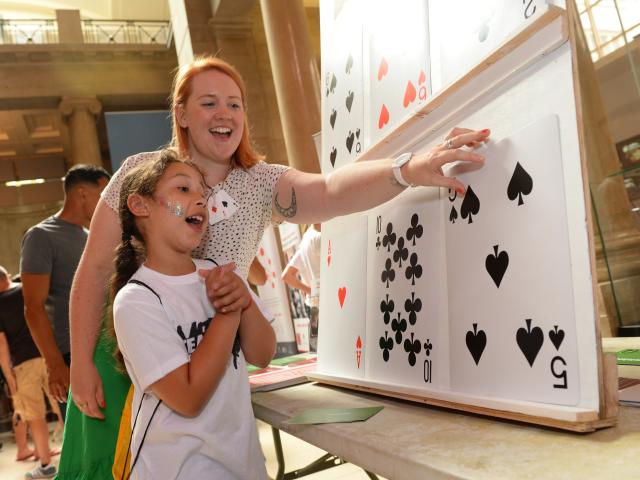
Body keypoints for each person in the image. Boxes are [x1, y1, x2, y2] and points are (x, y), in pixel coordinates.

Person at [61, 55, 490, 479]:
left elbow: (331, 190)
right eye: (209, 102)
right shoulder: (140, 174)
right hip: (132, 361)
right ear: (182, 114)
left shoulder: (262, 182)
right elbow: (96, 269)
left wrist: (409, 167)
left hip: (219, 359)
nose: (225, 113)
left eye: (235, 103)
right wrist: (80, 364)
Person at [111, 150, 274, 478]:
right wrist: (227, 315)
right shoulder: (136, 301)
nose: (199, 199)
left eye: (203, 192)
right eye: (183, 189)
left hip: (243, 465)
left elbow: (263, 353)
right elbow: (188, 398)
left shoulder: (218, 273)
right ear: (141, 206)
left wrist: (242, 300)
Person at [20, 164, 110, 427]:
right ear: (82, 193)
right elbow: (32, 307)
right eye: (103, 194)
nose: (107, 202)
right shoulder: (41, 236)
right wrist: (55, 364)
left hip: (103, 349)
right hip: (70, 356)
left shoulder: (90, 237)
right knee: (82, 440)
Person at [0, 266, 59, 478]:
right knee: (64, 405)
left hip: (23, 365)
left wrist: (9, 377)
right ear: (6, 275)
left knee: (35, 416)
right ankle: (77, 455)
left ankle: (46, 465)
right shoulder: (28, 289)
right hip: (48, 354)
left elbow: (2, 345)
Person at [281, 224, 322, 350]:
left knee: (318, 351)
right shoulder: (319, 238)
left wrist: (310, 291)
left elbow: (286, 275)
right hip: (325, 303)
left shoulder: (306, 238)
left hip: (313, 303)